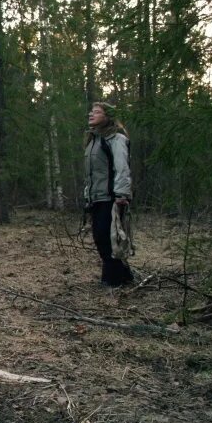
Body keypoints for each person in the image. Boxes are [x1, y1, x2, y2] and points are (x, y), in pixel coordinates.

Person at [84, 102, 134, 286]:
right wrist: (87, 195)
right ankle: (125, 276)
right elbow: (91, 174)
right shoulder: (93, 140)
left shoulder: (116, 139)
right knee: (101, 237)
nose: (91, 114)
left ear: (108, 117)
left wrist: (121, 194)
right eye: (92, 110)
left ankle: (112, 281)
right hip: (96, 198)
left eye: (97, 112)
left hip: (111, 197)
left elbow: (122, 168)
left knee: (108, 239)